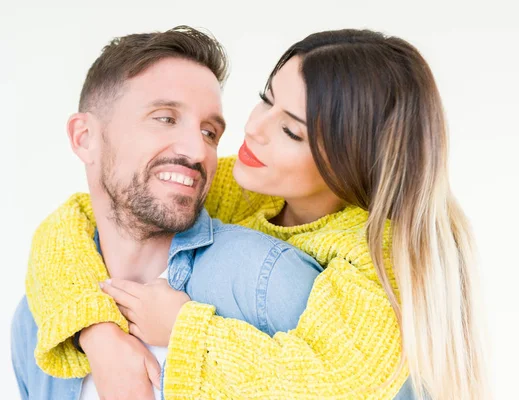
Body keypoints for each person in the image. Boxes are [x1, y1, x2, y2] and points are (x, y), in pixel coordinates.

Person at [17, 28, 488, 399]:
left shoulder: (377, 256)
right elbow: (75, 221)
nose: (252, 129)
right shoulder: (247, 187)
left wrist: (184, 329)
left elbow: (336, 388)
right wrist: (96, 333)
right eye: (266, 98)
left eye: (290, 131)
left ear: (350, 163)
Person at [10, 26, 325, 400]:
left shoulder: (266, 278)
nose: (196, 150)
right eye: (165, 118)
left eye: (210, 132)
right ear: (85, 138)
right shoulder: (38, 321)